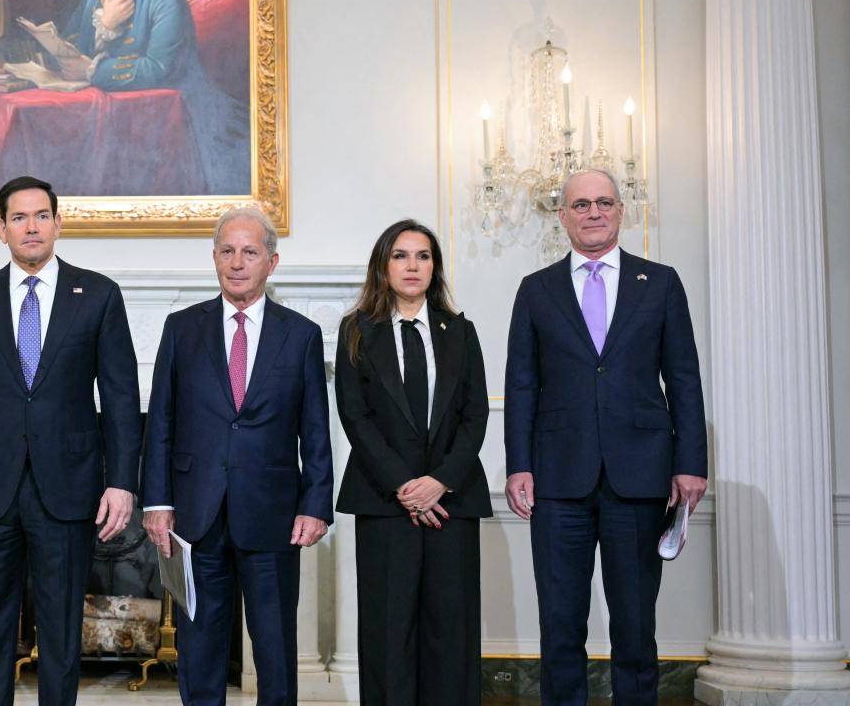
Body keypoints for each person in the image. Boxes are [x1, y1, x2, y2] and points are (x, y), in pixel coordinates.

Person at [0, 175, 140, 706]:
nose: (31, 226)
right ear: (1, 230)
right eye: (18, 218)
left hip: (67, 488)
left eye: (41, 215)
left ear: (58, 223)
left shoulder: (98, 295)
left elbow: (119, 398)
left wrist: (122, 483)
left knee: (63, 631)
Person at [504, 168, 708, 704]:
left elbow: (683, 377)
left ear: (621, 210)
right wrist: (518, 465)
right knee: (561, 625)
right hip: (557, 480)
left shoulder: (660, 282)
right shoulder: (536, 289)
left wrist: (691, 462)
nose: (593, 212)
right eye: (580, 205)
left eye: (603, 203)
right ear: (563, 216)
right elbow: (521, 384)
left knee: (636, 627)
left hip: (640, 477)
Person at [140, 206, 333, 706]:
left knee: (274, 647)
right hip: (195, 515)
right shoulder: (181, 328)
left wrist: (315, 504)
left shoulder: (301, 335)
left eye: (250, 251)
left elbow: (315, 430)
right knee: (199, 645)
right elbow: (160, 420)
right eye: (227, 251)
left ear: (272, 262)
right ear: (214, 258)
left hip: (272, 516)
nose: (237, 262)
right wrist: (156, 501)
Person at [334, 220, 491, 705]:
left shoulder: (460, 331)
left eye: (423, 256)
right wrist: (407, 486)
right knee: (389, 631)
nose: (412, 266)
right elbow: (355, 418)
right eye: (401, 256)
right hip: (385, 504)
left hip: (452, 502)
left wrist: (439, 482)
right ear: (383, 266)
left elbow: (475, 413)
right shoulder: (357, 331)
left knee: (451, 632)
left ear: (434, 268)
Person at [60, 0, 250, 195]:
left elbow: (158, 69)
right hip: (120, 116)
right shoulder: (93, 0)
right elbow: (69, 48)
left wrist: (91, 70)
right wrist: (105, 25)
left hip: (185, 117)